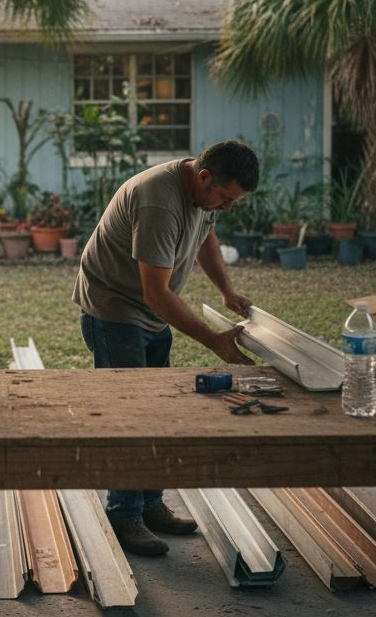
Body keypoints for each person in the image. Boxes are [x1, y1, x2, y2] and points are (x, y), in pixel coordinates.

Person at [71, 139, 259, 557]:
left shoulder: (201, 196)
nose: (227, 208)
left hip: (150, 312)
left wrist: (225, 289)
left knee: (156, 409)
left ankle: (150, 504)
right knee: (130, 414)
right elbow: (155, 292)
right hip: (115, 309)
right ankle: (124, 514)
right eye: (225, 199)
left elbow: (204, 235)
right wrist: (212, 341)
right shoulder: (159, 200)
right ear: (204, 176)